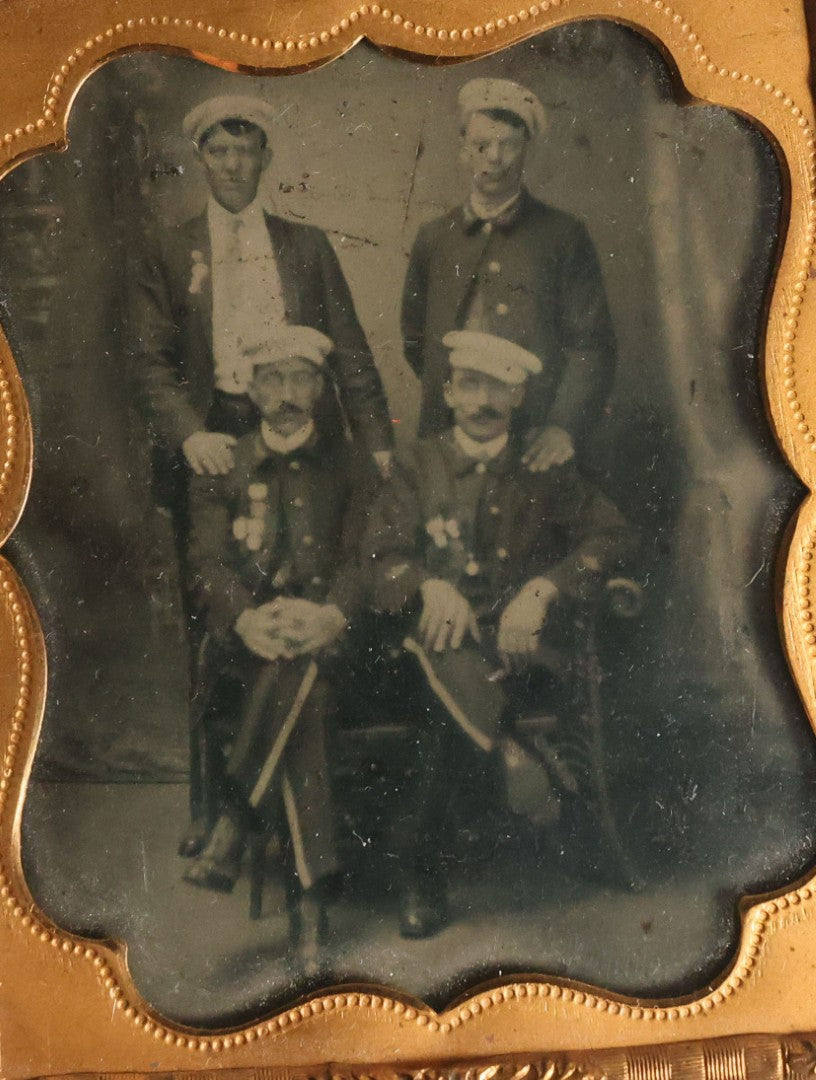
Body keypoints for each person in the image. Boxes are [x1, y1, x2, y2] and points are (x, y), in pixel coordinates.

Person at [129, 95, 393, 850]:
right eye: (219, 153)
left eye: (246, 152)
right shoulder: (170, 247)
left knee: (312, 589)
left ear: (266, 159)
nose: (234, 166)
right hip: (215, 441)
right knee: (215, 615)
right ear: (202, 160)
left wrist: (374, 445)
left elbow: (348, 350)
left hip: (304, 431)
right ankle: (212, 807)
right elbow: (148, 363)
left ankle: (290, 788)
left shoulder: (305, 245)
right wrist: (190, 438)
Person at [364, 330, 635, 938]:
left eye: (499, 389)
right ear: (449, 392)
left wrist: (542, 590)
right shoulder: (416, 463)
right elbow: (378, 555)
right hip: (423, 647)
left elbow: (614, 535)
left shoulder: (541, 467)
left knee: (451, 699)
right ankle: (513, 752)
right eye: (470, 385)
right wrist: (428, 587)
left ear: (518, 397)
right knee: (441, 655)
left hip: (516, 649)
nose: (482, 401)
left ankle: (419, 872)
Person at [182, 324, 376, 974]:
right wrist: (242, 621)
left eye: (300, 380)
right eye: (273, 380)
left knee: (307, 676)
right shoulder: (222, 465)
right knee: (303, 693)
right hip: (246, 652)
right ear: (250, 388)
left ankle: (235, 826)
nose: (287, 394)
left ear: (320, 388)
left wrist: (331, 613)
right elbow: (207, 563)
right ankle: (309, 904)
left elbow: (362, 558)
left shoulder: (350, 464)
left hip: (330, 637)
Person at [401, 78, 616, 470]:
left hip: (531, 440)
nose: (494, 158)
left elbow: (593, 345)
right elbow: (415, 340)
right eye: (482, 145)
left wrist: (561, 426)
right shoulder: (434, 237)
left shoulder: (562, 236)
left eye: (508, 145)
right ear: (464, 150)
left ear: (525, 150)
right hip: (445, 437)